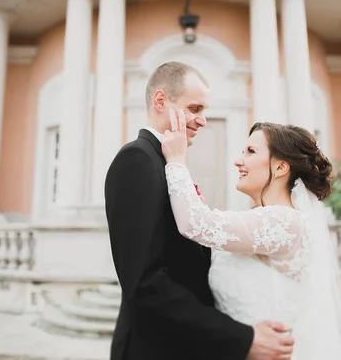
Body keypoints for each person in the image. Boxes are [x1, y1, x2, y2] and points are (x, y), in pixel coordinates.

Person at [104, 61, 295, 360]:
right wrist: (241, 338)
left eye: (204, 110)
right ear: (161, 101)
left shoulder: (168, 162)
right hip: (152, 349)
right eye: (195, 109)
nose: (203, 120)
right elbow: (144, 282)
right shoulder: (137, 160)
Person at [160, 109, 341, 360]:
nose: (238, 161)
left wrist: (176, 160)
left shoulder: (285, 222)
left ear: (281, 167)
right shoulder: (260, 219)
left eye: (251, 152)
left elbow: (193, 224)